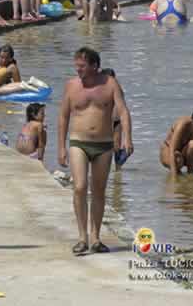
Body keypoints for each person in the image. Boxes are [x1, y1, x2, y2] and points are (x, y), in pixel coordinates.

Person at [58, 47, 132, 254]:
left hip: (104, 145)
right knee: (80, 186)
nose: (78, 70)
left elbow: (124, 112)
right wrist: (61, 148)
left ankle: (96, 237)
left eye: (82, 66)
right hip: (78, 142)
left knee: (99, 190)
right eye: (76, 66)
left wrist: (128, 138)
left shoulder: (110, 84)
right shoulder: (72, 86)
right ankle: (82, 237)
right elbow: (63, 117)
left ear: (94, 66)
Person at [100, 68, 128, 171]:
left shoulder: (104, 88)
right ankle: (117, 170)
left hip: (113, 119)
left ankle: (116, 170)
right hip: (116, 119)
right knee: (115, 146)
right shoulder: (117, 88)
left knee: (112, 146)